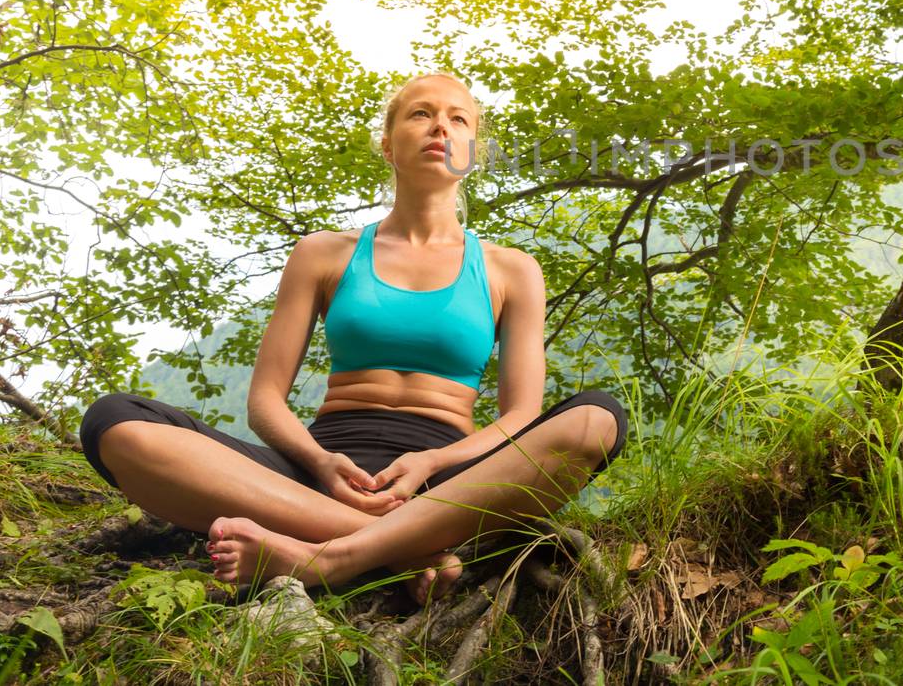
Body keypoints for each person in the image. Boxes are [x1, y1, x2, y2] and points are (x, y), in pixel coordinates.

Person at [77, 72, 628, 599]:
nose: (441, 127)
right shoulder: (324, 252)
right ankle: (406, 549)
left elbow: (520, 416)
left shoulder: (512, 270)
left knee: (594, 420)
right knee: (118, 425)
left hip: (448, 480)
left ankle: (332, 557)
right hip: (319, 472)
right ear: (389, 145)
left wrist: (431, 465)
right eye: (421, 114)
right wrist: (319, 461)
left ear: (471, 152)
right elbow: (266, 402)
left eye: (458, 119)